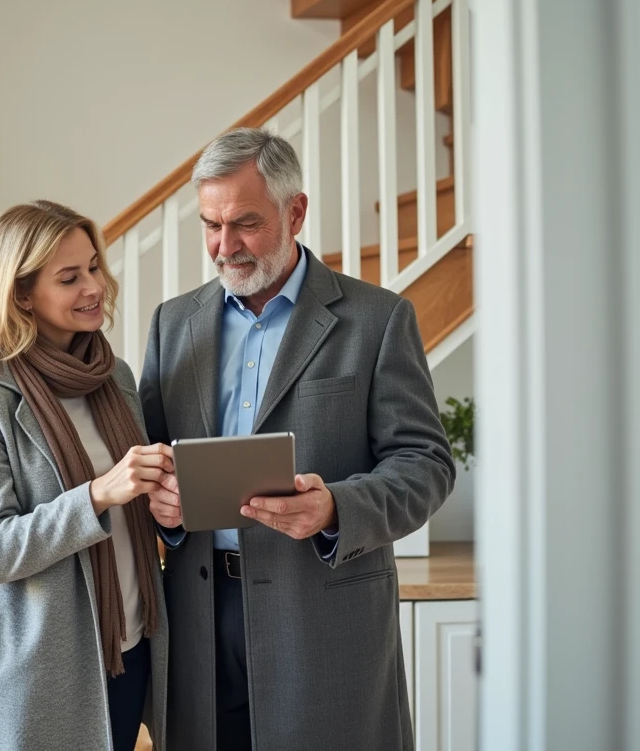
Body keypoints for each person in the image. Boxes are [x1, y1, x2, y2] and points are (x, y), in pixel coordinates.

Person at [140, 129, 455, 750]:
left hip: (324, 624)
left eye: (244, 225)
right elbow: (149, 458)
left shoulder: (379, 318)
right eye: (210, 225)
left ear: (297, 212)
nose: (223, 246)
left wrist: (337, 506)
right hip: (200, 623)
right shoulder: (171, 324)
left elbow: (426, 464)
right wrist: (162, 506)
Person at [0, 200, 171, 751]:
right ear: (20, 293)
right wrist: (99, 493)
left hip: (133, 643)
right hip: (46, 662)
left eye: (93, 267)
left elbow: (143, 503)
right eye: (69, 277)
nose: (94, 286)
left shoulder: (116, 377)